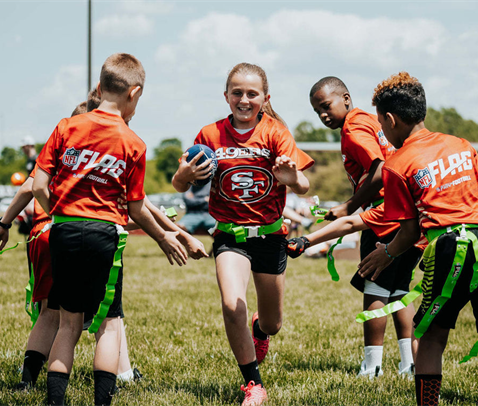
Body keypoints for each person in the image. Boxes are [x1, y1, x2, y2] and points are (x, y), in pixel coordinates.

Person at [356, 72, 478, 405]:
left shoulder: (397, 165)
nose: (382, 130)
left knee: (427, 337)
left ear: (391, 120)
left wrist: (386, 254)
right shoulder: (459, 144)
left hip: (451, 245)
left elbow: (409, 232)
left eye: (381, 123)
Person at [32, 53, 189, 406]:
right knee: (111, 322)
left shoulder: (66, 127)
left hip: (64, 231)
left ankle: (55, 402)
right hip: (106, 235)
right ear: (134, 93)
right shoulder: (133, 143)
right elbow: (136, 208)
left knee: (68, 324)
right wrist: (164, 237)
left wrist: (62, 214)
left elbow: (39, 186)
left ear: (100, 87)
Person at [171, 62, 314, 406]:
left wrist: (291, 178)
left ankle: (260, 329)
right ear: (226, 96)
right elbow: (178, 183)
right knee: (231, 303)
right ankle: (253, 384)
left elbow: (305, 187)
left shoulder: (276, 131)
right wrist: (184, 173)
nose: (244, 99)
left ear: (265, 98)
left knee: (274, 323)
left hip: (270, 236)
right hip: (229, 237)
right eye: (237, 92)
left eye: (252, 93)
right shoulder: (209, 135)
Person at [291, 76, 424, 379]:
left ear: (346, 99)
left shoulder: (352, 128)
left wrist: (351, 205)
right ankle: (409, 362)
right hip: (407, 214)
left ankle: (372, 366)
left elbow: (379, 168)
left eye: (326, 106)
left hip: (384, 215)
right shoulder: (368, 119)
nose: (323, 115)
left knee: (374, 285)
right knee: (400, 290)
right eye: (317, 111)